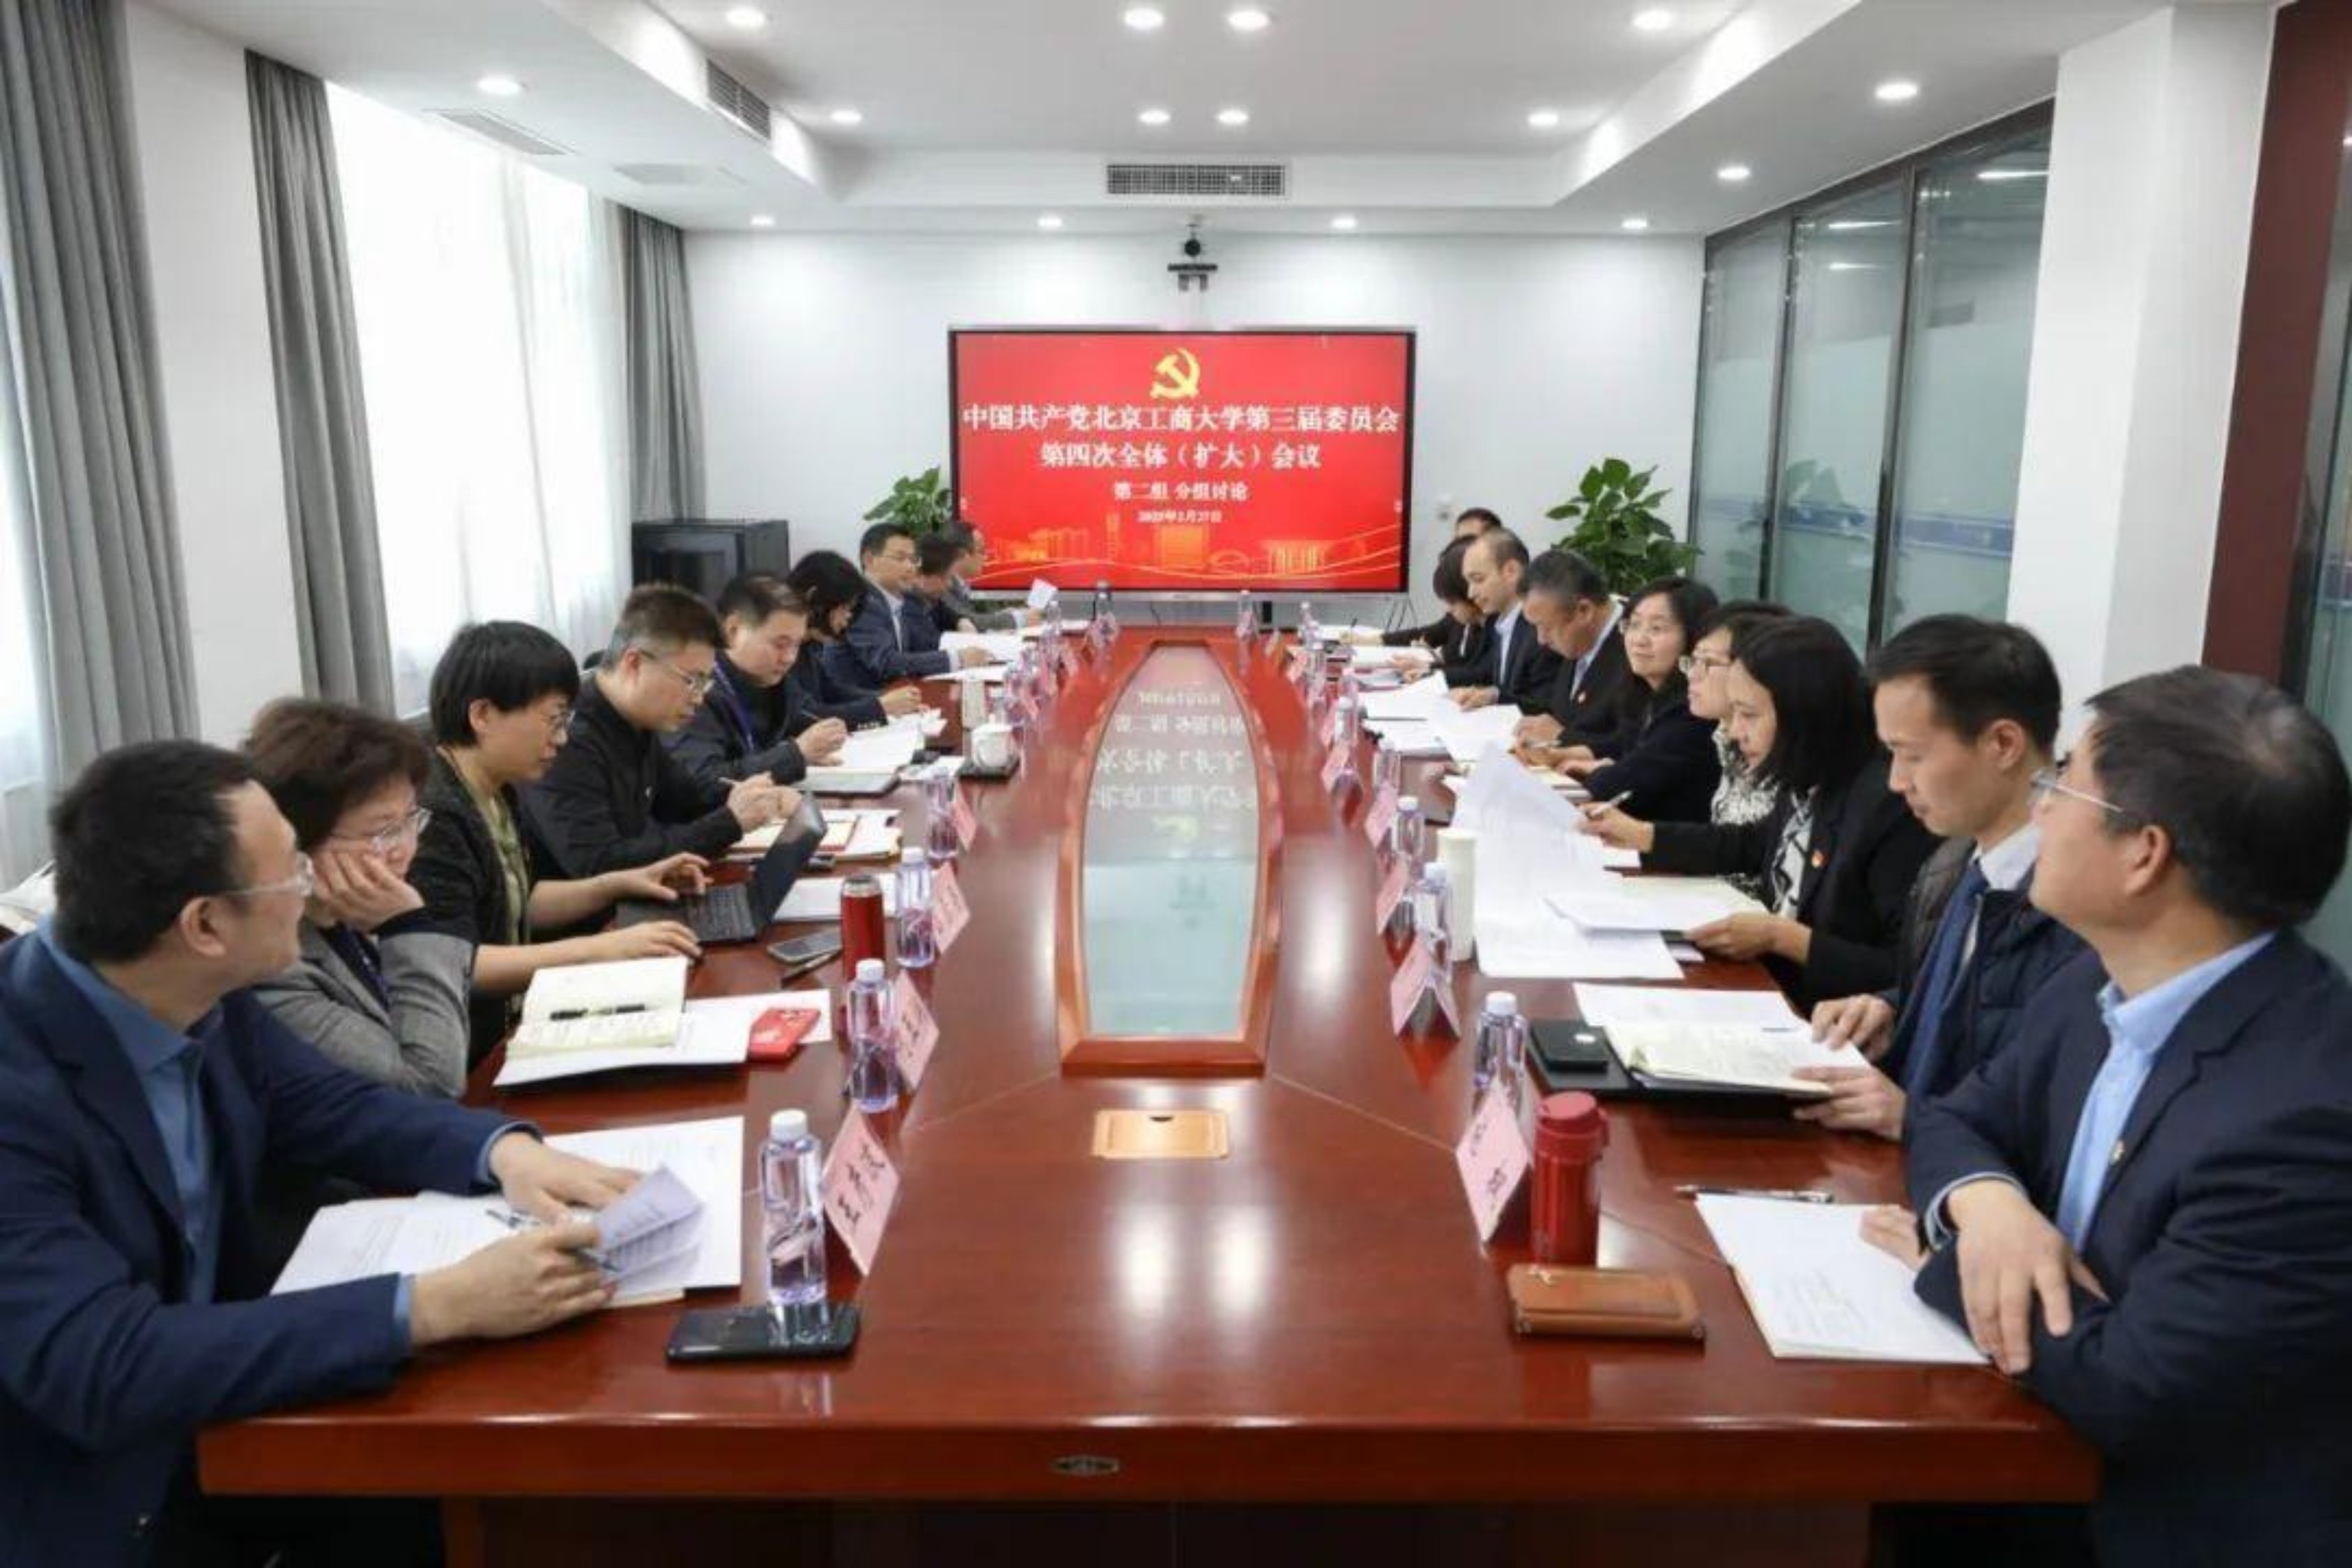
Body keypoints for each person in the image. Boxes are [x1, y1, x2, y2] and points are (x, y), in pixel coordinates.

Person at [0, 741, 639, 1566]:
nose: (311, 887)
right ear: (204, 925)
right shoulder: (21, 1082)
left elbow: (331, 1105)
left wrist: (504, 1151)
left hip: (237, 1407)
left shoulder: (189, 988)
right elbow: (102, 1364)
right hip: (107, 1496)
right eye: (291, 874)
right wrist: (434, 1305)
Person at [1893, 666, 2352, 1567]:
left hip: (2154, 1526)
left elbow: (2131, 1385)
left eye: (2062, 783)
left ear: (2143, 854)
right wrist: (1989, 1207)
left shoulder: (2302, 1118)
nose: (2039, 808)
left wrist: (1947, 1258)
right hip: (2024, 1450)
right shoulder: (2097, 980)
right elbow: (1955, 1115)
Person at [1798, 617, 2084, 1141]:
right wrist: (1890, 1008)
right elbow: (1972, 1004)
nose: (1896, 781)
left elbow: (2048, 1111)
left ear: (2003, 743)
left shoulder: (2074, 906)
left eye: (1912, 756)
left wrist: (1914, 1119)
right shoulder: (1954, 862)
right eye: (1890, 755)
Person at [1586, 615, 1940, 1008]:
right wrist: (1644, 836)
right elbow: (1752, 843)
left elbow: (1905, 973)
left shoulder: (1887, 806)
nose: (1736, 731)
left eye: (1749, 715)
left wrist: (1782, 938)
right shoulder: (1808, 776)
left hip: (1819, 1017)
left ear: (1803, 715)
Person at [413, 621, 710, 1061]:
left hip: (514, 1023)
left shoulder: (497, 789)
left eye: (566, 720)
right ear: (483, 716)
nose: (562, 738)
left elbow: (521, 902)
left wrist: (620, 883)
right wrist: (600, 949)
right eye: (553, 720)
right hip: (470, 1056)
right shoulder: (434, 814)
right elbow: (458, 963)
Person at [241, 700, 471, 1098]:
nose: (405, 848)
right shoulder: (274, 972)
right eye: (381, 832)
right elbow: (432, 1085)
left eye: (410, 820)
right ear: (297, 842)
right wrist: (407, 928)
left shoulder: (352, 916)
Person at [518, 584, 799, 882]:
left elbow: (685, 801)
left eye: (705, 683)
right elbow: (599, 864)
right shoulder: (567, 738)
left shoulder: (638, 719)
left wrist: (755, 797)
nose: (698, 698)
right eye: (691, 681)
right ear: (634, 663)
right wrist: (731, 822)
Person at [1535, 576, 1722, 824]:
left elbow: (1621, 785)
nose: (1639, 639)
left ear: (1695, 639)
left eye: (1656, 629)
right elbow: (1624, 743)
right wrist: (1563, 754)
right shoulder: (1645, 693)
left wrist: (1602, 770)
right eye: (1634, 625)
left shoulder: (1694, 709)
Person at [666, 575, 848, 792]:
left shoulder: (772, 679)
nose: (789, 658)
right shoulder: (694, 687)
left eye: (796, 645)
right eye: (780, 645)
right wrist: (794, 755)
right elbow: (703, 782)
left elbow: (803, 719)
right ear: (733, 631)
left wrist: (802, 755)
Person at [1684, 601, 1792, 861]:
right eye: (1693, 660)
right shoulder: (1726, 735)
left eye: (1708, 662)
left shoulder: (1785, 753)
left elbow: (1753, 850)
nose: (1692, 675)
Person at [828, 522, 990, 687]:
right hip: (864, 699)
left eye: (913, 559)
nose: (910, 567)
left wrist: (960, 622)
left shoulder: (898, 598)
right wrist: (957, 659)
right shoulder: (861, 602)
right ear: (869, 560)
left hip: (898, 694)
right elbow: (886, 662)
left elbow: (921, 647)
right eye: (900, 558)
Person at [785, 551, 928, 728]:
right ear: (815, 599)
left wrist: (888, 700)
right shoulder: (785, 651)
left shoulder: (810, 645)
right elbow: (806, 715)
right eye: (844, 608)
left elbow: (833, 692)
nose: (848, 618)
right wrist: (880, 707)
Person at [1515, 548, 1630, 751]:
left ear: (1584, 611)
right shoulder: (1579, 640)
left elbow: (1631, 748)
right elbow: (1565, 713)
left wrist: (1563, 737)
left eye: (1547, 627)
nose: (1541, 640)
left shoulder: (1635, 649)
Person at [1344, 508, 1499, 653]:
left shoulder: (1494, 617)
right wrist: (1370, 641)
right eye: (1458, 540)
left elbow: (1478, 669)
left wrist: (1436, 665)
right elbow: (1434, 633)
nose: (1459, 548)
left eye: (1468, 541)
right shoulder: (1463, 608)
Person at [1443, 529, 1562, 714]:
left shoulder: (1541, 628)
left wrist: (1496, 696)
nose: (1471, 593)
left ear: (1511, 571)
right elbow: (1484, 673)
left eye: (1478, 579)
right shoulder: (1498, 622)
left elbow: (1545, 706)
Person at [937, 521, 1032, 633]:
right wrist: (1021, 619)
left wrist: (999, 615)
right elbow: (974, 621)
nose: (985, 557)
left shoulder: (957, 583)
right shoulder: (939, 584)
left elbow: (971, 618)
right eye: (981, 551)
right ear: (962, 554)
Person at [913, 533, 976, 636]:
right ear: (920, 576)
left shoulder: (934, 603)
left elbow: (951, 612)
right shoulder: (904, 611)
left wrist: (961, 620)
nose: (949, 584)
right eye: (945, 578)